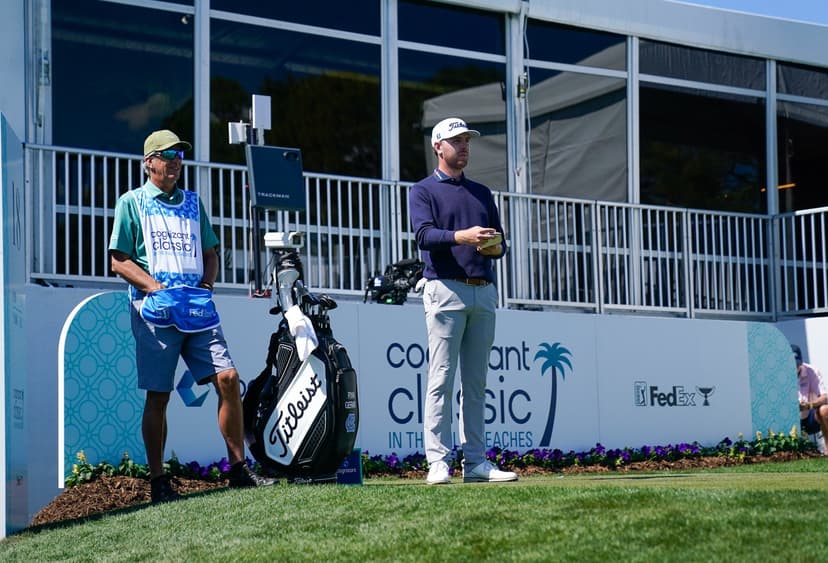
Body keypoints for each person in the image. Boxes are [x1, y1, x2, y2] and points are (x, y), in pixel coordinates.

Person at [109, 130, 275, 502]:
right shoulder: (131, 203)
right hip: (156, 313)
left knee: (229, 379)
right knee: (159, 395)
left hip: (198, 311)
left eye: (179, 155)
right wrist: (155, 288)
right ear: (148, 162)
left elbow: (211, 252)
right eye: (167, 155)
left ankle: (238, 469)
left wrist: (207, 286)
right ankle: (158, 481)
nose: (175, 161)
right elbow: (119, 261)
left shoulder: (193, 202)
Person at [408, 117, 518, 485]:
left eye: (467, 141)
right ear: (438, 146)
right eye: (457, 141)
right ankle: (438, 462)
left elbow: (501, 244)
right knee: (440, 379)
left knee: (476, 383)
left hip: (483, 290)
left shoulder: (482, 192)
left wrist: (494, 245)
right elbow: (424, 236)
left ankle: (475, 464)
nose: (465, 147)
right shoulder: (423, 190)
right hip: (444, 289)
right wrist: (463, 236)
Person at [793, 344, 828, 453]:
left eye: (797, 363)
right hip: (791, 421)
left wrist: (809, 405)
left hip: (809, 418)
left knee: (825, 410)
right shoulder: (780, 374)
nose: (795, 366)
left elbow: (824, 397)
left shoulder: (812, 371)